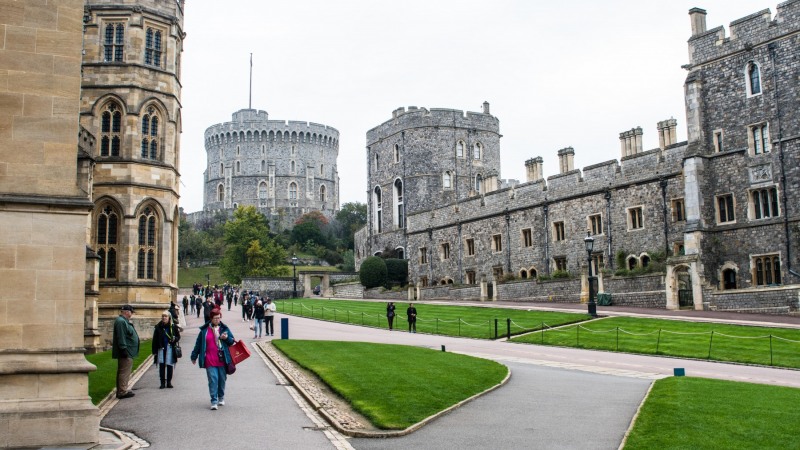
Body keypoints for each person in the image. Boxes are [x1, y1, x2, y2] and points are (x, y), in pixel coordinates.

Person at [191, 309, 235, 410]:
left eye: (219, 318)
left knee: (222, 380)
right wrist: (194, 356)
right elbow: (198, 344)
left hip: (222, 359)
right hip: (209, 359)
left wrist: (226, 338)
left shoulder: (224, 329)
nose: (217, 320)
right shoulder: (204, 331)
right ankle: (214, 400)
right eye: (215, 318)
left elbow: (231, 342)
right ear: (211, 318)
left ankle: (221, 397)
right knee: (213, 379)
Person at [112, 305, 140, 399]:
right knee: (124, 372)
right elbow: (121, 336)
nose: (131, 314)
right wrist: (123, 348)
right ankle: (122, 391)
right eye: (131, 312)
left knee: (124, 371)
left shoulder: (123, 321)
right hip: (126, 351)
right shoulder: (121, 322)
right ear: (127, 312)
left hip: (128, 351)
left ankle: (122, 389)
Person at [152, 310, 181, 389]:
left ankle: (169, 382)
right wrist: (154, 351)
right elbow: (154, 339)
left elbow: (178, 336)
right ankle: (162, 382)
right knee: (162, 365)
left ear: (169, 318)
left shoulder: (173, 326)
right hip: (161, 348)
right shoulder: (158, 327)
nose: (164, 318)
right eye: (163, 316)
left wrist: (175, 339)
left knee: (169, 365)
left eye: (166, 316)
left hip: (170, 348)